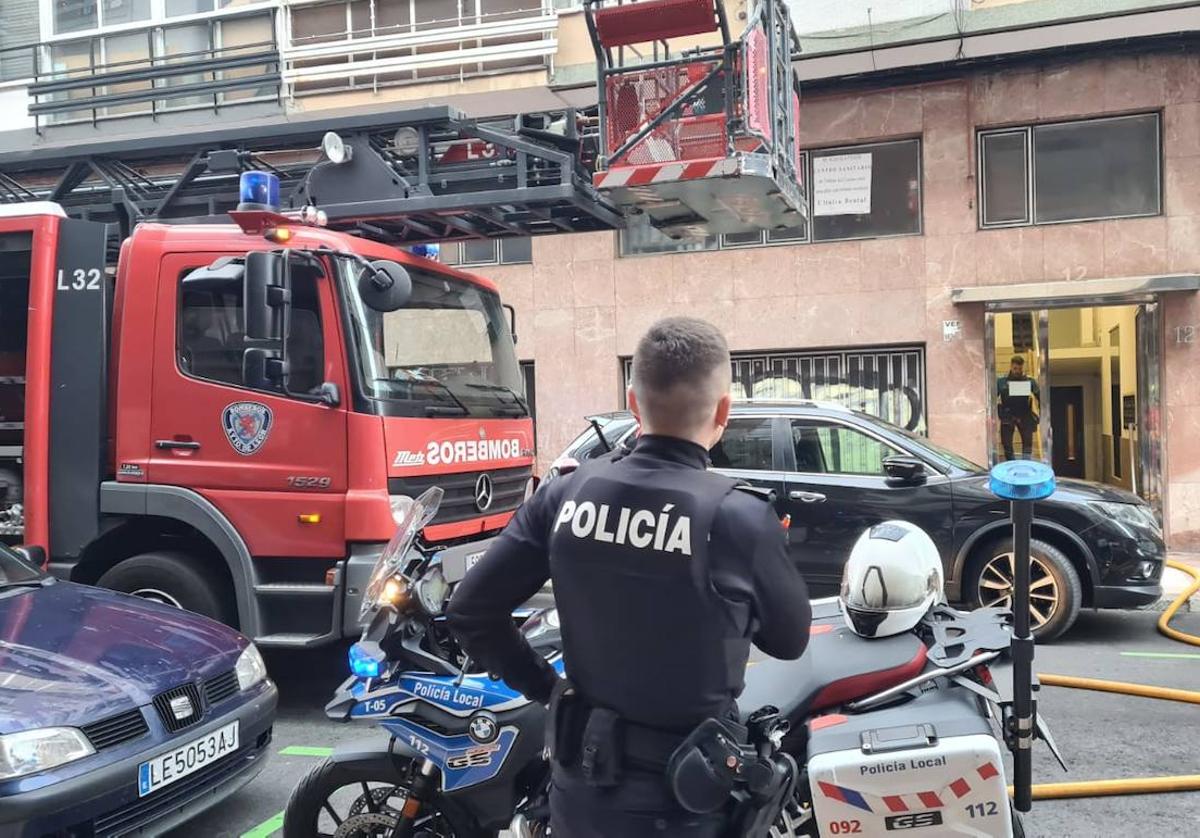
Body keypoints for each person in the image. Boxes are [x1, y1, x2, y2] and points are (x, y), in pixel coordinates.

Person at [447, 317, 812, 837]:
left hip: (581, 789)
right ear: (724, 412)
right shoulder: (739, 519)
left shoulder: (565, 494)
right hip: (684, 801)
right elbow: (790, 640)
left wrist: (548, 689)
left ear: (633, 403)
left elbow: (470, 609)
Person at [997, 355, 1040, 461]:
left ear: (1023, 368)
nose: (1017, 371)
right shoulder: (1001, 381)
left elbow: (1041, 397)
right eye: (1015, 368)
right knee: (1007, 445)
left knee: (1027, 445)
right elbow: (991, 398)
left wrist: (1042, 414)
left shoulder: (1029, 381)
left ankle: (1026, 466)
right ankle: (1011, 465)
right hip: (1007, 415)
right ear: (1011, 367)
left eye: (1020, 369)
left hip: (1024, 414)